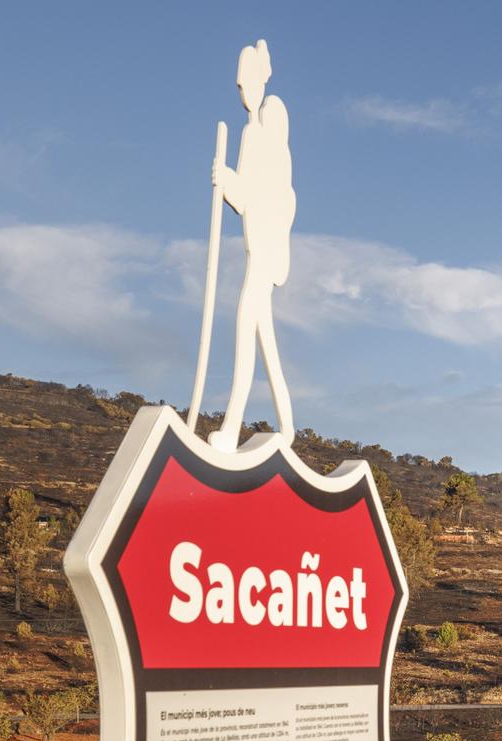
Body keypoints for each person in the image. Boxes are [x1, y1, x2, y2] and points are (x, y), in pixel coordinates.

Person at [209, 39, 296, 449]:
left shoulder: (274, 119)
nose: (246, 94)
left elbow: (273, 191)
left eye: (248, 84)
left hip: (267, 248)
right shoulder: (246, 133)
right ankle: (288, 426)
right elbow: (244, 199)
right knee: (263, 337)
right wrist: (224, 180)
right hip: (257, 244)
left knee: (248, 326)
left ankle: (231, 427)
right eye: (240, 88)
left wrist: (236, 184)